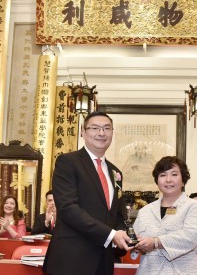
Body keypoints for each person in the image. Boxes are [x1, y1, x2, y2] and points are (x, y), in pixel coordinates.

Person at [43, 111, 133, 275]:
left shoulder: (116, 172)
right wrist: (111, 234)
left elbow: (117, 215)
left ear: (112, 133)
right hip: (72, 261)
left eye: (107, 128)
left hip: (104, 261)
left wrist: (124, 235)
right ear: (83, 132)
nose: (101, 133)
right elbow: (68, 208)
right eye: (95, 128)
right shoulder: (68, 162)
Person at [133, 156, 197, 275]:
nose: (168, 180)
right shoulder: (145, 211)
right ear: (157, 181)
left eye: (174, 174)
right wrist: (136, 245)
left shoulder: (195, 207)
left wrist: (155, 242)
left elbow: (190, 237)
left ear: (183, 180)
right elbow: (136, 238)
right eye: (162, 175)